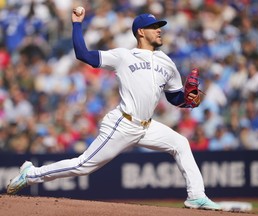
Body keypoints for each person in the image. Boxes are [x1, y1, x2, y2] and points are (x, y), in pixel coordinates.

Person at [7, 8, 221, 211]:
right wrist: (77, 24)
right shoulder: (123, 56)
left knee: (181, 143)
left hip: (147, 126)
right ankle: (31, 174)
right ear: (140, 32)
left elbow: (175, 97)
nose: (159, 29)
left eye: (159, 26)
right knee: (83, 165)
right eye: (154, 26)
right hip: (123, 123)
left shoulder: (167, 62)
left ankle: (196, 195)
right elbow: (83, 54)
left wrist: (189, 99)